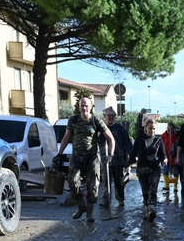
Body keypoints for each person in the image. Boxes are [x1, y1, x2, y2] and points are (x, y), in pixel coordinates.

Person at [55, 95, 114, 223]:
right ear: (79, 107)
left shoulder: (96, 121)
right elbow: (66, 138)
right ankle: (81, 205)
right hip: (76, 156)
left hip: (92, 157)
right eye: (82, 105)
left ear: (91, 107)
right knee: (72, 181)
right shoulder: (73, 120)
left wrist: (110, 154)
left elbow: (111, 139)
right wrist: (59, 154)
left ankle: (90, 213)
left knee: (93, 186)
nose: (84, 107)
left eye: (86, 105)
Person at [133, 113, 164, 220]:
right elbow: (133, 153)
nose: (152, 131)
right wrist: (127, 165)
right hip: (142, 168)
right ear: (145, 128)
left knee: (153, 188)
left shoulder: (159, 140)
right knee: (145, 190)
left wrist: (164, 159)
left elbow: (162, 154)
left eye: (154, 129)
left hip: (155, 168)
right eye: (150, 128)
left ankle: (152, 208)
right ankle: (147, 211)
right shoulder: (139, 139)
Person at [101, 108, 131, 208]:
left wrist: (131, 158)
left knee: (119, 182)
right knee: (105, 182)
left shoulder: (120, 129)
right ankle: (106, 200)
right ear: (104, 116)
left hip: (119, 160)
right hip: (105, 160)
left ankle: (120, 200)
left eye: (112, 115)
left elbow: (127, 143)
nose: (111, 117)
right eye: (109, 115)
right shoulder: (101, 128)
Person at [160, 120, 180, 202]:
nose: (169, 131)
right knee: (165, 171)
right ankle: (167, 185)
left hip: (174, 157)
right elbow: (161, 145)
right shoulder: (163, 136)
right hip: (166, 156)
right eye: (168, 129)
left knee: (175, 172)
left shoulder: (176, 137)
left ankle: (175, 187)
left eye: (170, 129)